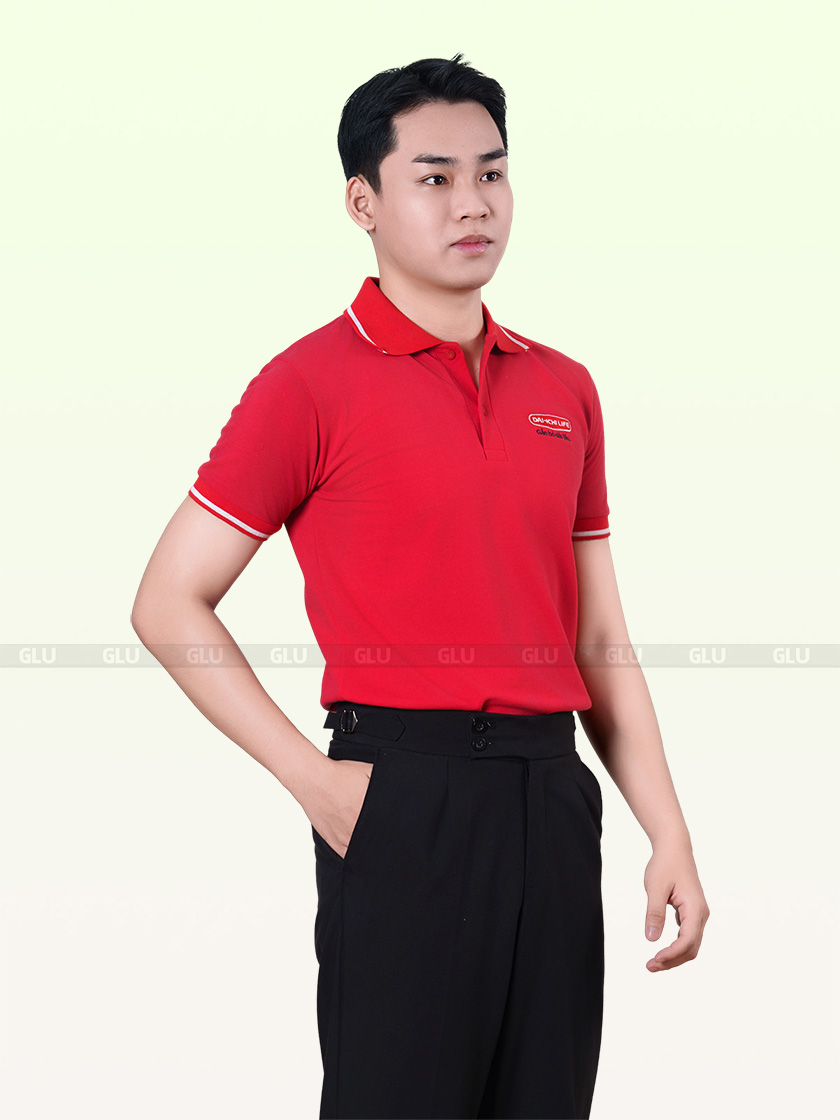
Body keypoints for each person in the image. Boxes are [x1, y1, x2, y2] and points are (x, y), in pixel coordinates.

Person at [131, 52, 710, 1120]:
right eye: (434, 178)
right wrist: (320, 785)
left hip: (550, 794)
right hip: (402, 793)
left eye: (491, 173)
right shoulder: (308, 383)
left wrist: (665, 825)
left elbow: (596, 635)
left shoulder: (563, 387)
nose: (472, 203)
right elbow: (167, 601)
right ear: (363, 202)